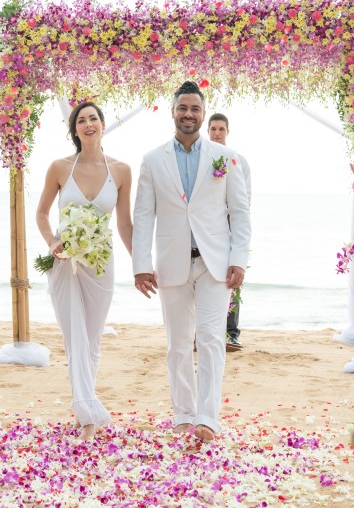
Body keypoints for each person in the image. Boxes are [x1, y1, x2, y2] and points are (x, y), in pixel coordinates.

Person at [132, 81, 251, 442]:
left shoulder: (225, 157)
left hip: (214, 263)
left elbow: (240, 212)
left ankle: (208, 418)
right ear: (173, 112)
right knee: (179, 343)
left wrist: (239, 258)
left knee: (212, 339)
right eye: (182, 108)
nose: (188, 114)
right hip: (171, 264)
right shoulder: (153, 160)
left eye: (195, 109)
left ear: (203, 112)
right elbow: (144, 214)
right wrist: (140, 264)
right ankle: (183, 413)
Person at [35, 101, 133, 442]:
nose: (88, 124)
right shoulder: (59, 167)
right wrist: (52, 243)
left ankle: (86, 404)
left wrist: (141, 264)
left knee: (91, 340)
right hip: (65, 264)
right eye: (81, 121)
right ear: (74, 130)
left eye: (93, 118)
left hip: (100, 263)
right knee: (74, 336)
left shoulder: (121, 170)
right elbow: (42, 214)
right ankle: (86, 414)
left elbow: (123, 223)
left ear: (103, 124)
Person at [207, 113, 251, 352]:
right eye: (213, 128)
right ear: (208, 131)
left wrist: (231, 224)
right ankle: (203, 334)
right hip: (204, 232)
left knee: (232, 280)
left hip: (230, 230)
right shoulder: (200, 158)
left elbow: (245, 201)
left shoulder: (238, 161)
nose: (216, 133)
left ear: (227, 132)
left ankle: (231, 333)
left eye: (221, 129)